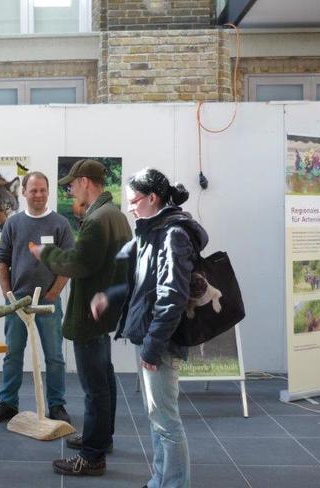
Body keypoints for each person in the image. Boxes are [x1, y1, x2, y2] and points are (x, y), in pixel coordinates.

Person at [91, 168, 207, 488]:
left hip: (162, 340)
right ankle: (160, 479)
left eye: (133, 201)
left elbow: (172, 297)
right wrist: (109, 296)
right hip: (150, 336)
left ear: (152, 198)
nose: (129, 207)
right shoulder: (151, 230)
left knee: (166, 422)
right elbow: (141, 285)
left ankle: (172, 484)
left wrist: (154, 346)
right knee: (157, 420)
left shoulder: (173, 234)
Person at [30, 159, 131, 476]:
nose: (70, 189)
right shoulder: (117, 217)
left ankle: (92, 457)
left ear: (86, 181)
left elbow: (77, 263)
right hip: (105, 313)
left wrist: (43, 253)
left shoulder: (98, 220)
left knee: (94, 389)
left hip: (90, 315)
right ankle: (101, 439)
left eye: (72, 184)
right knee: (105, 381)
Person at [0, 171, 75, 424]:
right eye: (33, 190)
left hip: (48, 303)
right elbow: (2, 260)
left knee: (54, 356)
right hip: (17, 302)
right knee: (12, 354)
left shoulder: (60, 224)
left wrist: (53, 293)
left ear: (47, 192)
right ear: (24, 193)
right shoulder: (13, 224)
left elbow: (69, 263)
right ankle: (8, 403)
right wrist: (8, 295)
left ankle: (57, 405)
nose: (38, 194)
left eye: (42, 190)